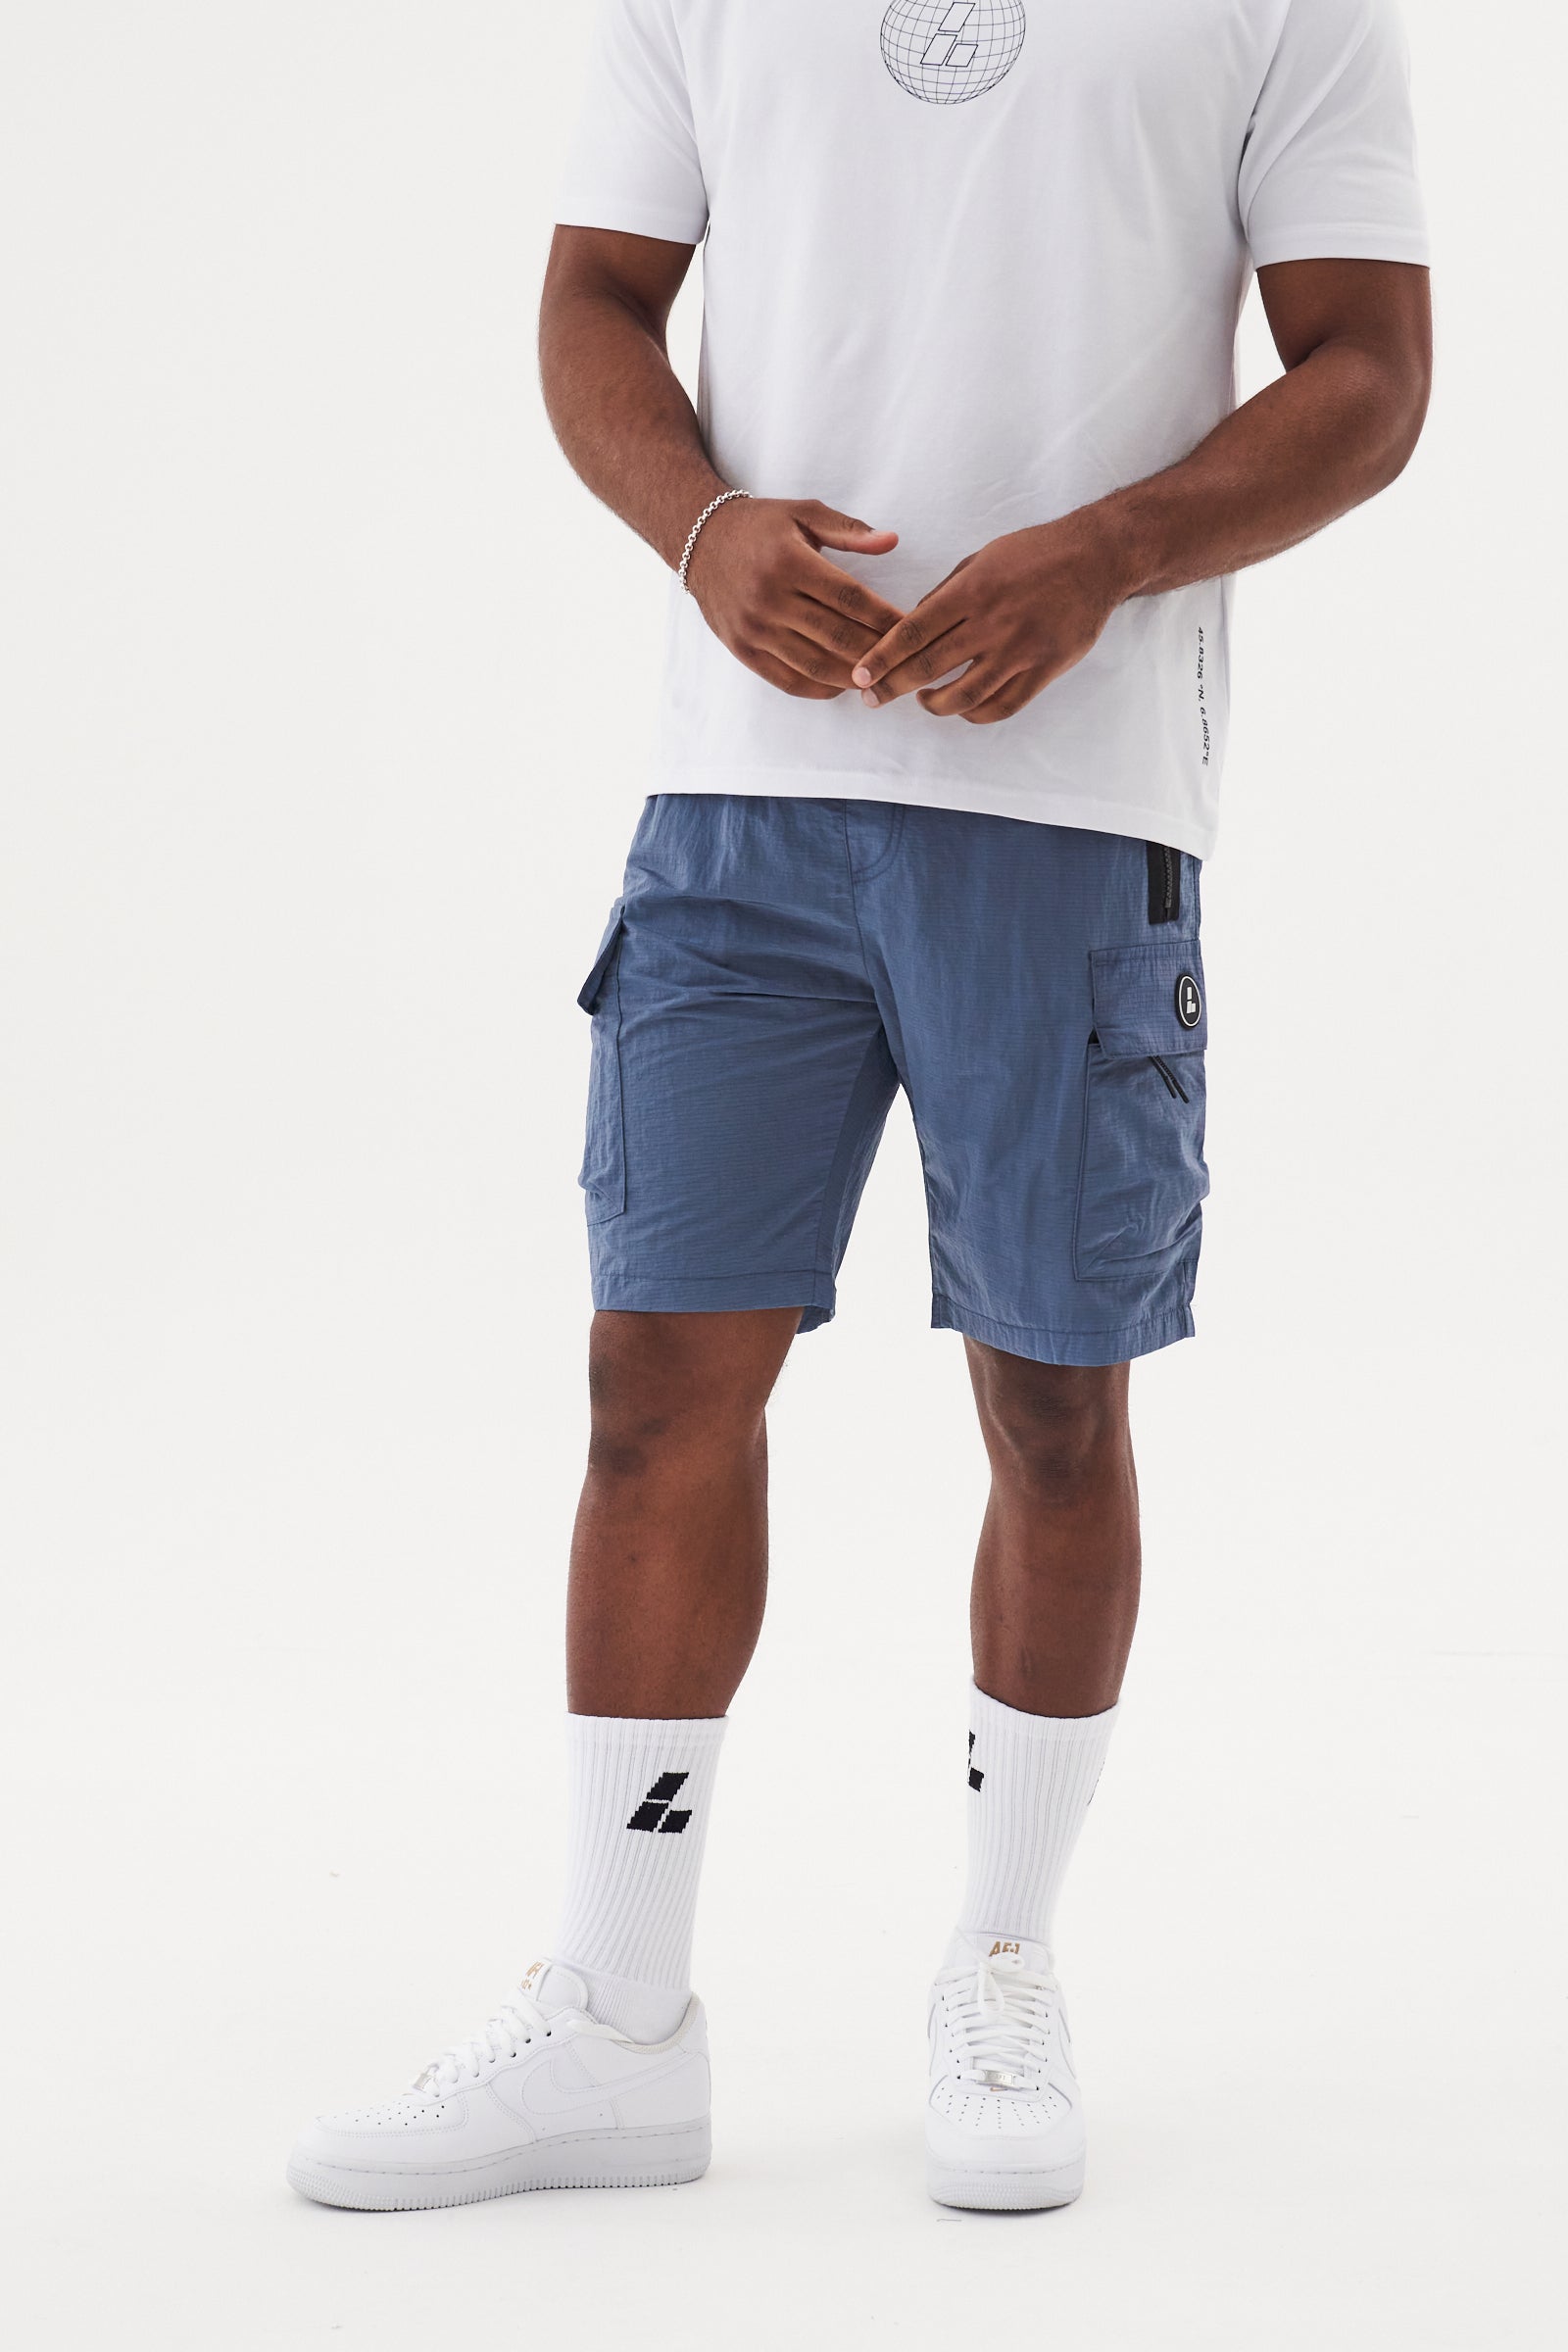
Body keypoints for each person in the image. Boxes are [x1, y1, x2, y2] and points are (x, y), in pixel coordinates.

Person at [288, 0, 1430, 2214]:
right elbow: (595, 294)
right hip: (738, 803)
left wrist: (1107, 553)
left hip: (1074, 801)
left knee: (1055, 1401)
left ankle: (1001, 1967)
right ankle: (617, 2021)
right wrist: (699, 523)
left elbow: (1369, 372)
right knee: (654, 1379)